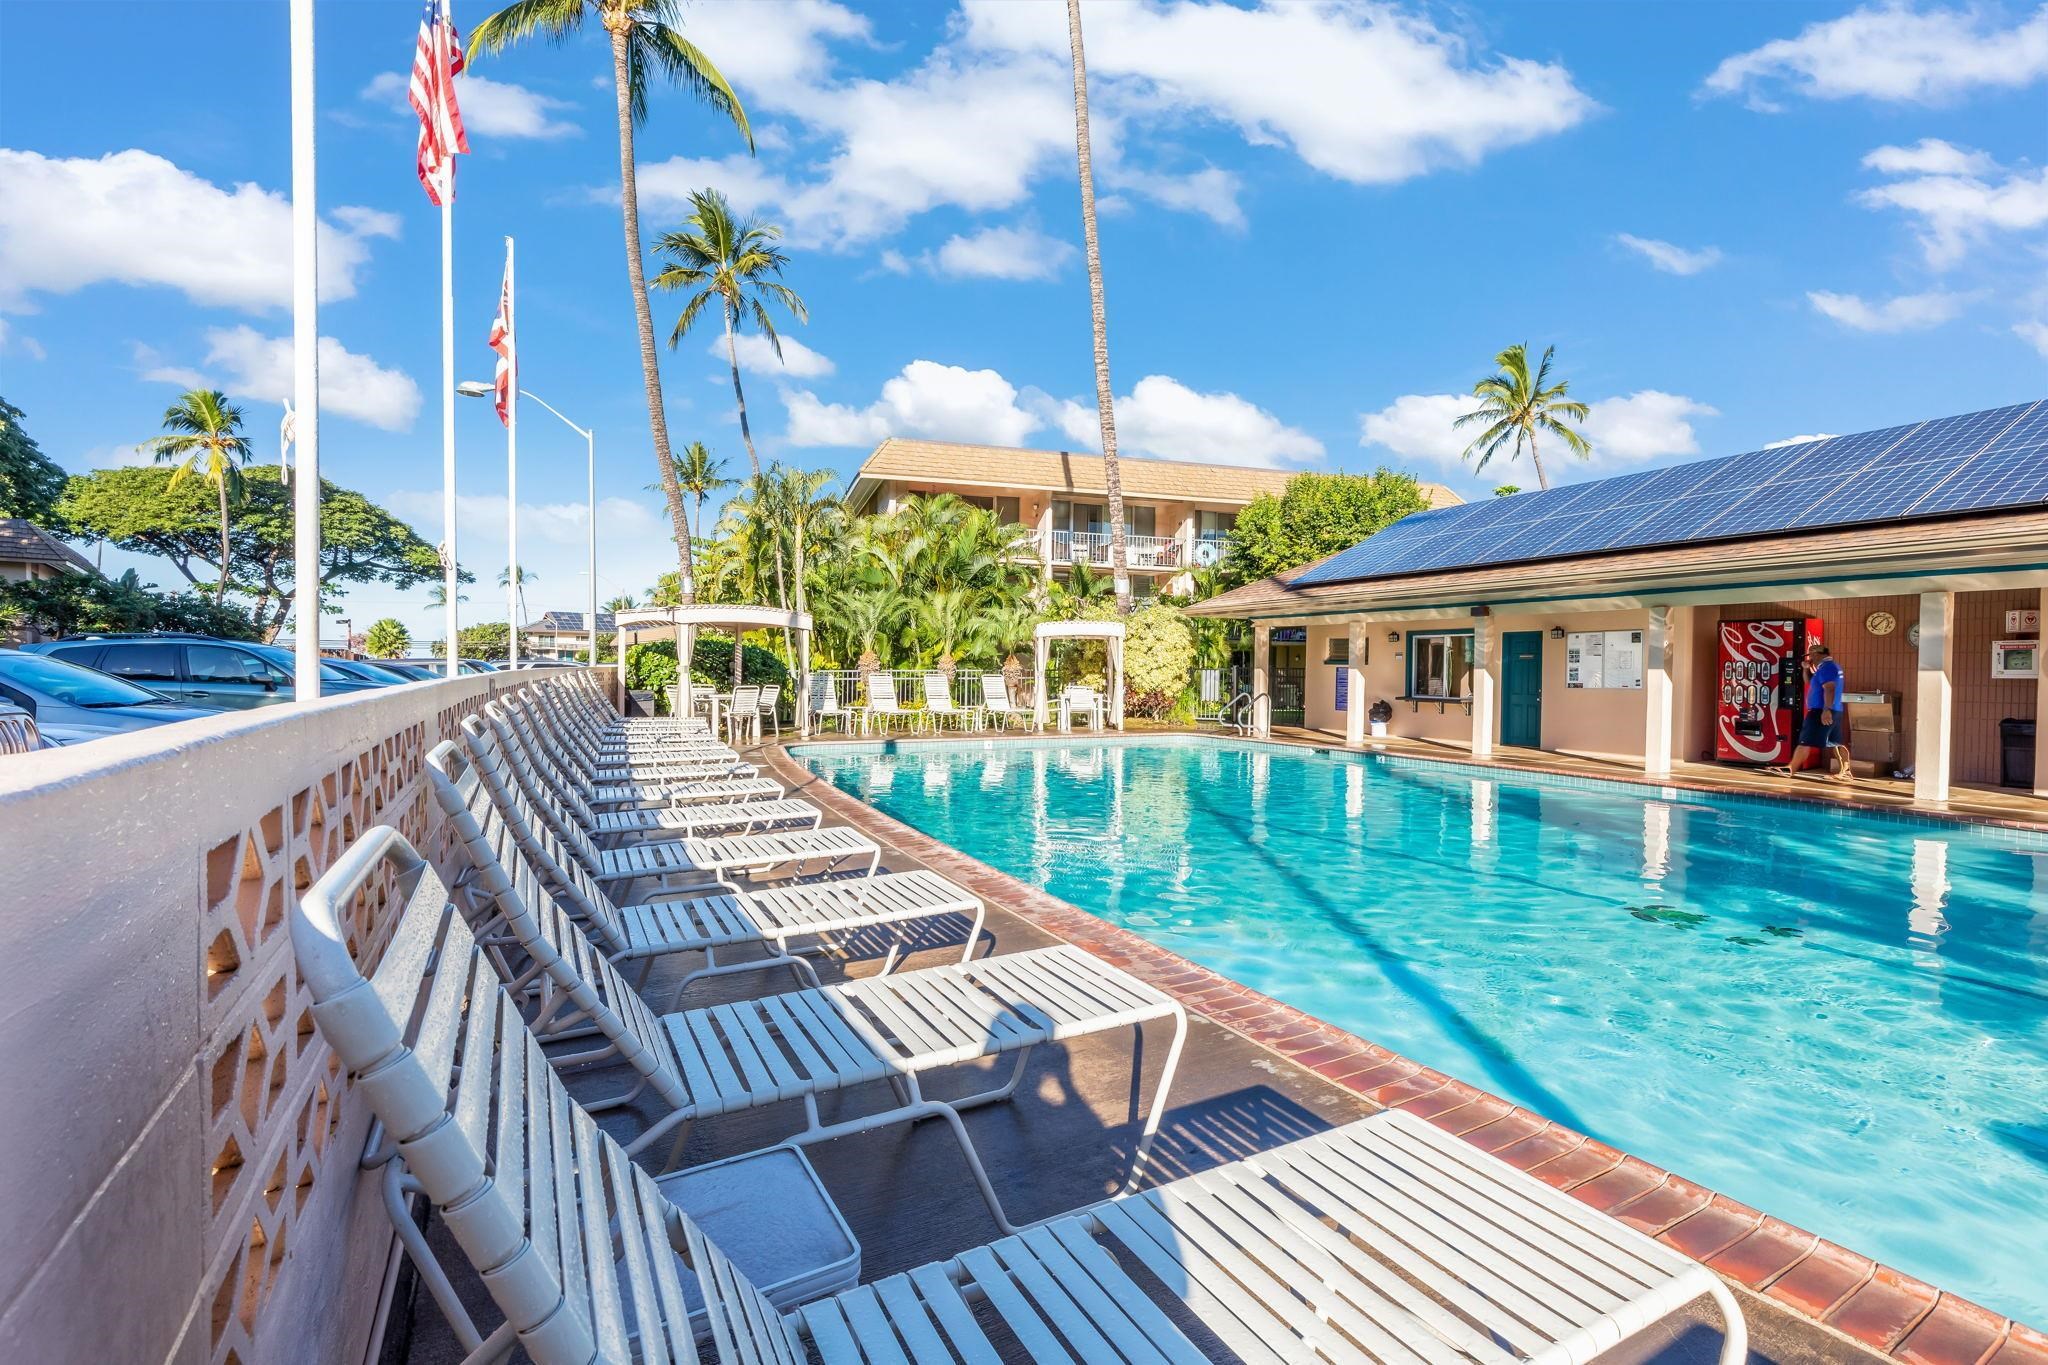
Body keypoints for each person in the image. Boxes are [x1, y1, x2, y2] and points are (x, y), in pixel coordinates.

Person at [1775, 642, 1848, 778]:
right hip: (1834, 709)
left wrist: (1826, 710)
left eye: (1811, 655)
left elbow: (1829, 689)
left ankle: (1790, 769)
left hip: (1821, 711)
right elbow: (1809, 682)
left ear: (1816, 654)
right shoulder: (1826, 667)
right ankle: (1845, 771)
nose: (1810, 658)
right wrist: (1805, 669)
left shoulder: (1827, 668)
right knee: (1836, 742)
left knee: (1805, 740)